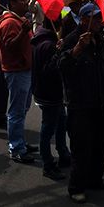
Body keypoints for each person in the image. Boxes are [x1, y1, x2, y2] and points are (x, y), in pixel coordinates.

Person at [58, 3, 104, 203]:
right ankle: (76, 187)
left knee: (101, 143)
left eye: (100, 18)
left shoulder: (100, 40)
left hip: (99, 100)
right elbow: (61, 66)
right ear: (83, 19)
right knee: (81, 147)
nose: (100, 22)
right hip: (80, 102)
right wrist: (77, 49)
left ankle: (95, 178)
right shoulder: (73, 39)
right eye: (96, 18)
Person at [0, 0, 36, 163]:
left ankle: (20, 141)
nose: (26, 2)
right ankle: (16, 148)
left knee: (23, 109)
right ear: (12, 3)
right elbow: (9, 46)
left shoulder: (20, 20)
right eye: (22, 0)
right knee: (16, 111)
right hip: (16, 71)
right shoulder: (9, 23)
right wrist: (22, 32)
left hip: (25, 70)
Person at [31, 17, 71, 180]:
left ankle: (63, 154)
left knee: (61, 123)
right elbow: (50, 70)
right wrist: (59, 52)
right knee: (48, 129)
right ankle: (48, 164)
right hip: (48, 93)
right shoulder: (47, 45)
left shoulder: (43, 39)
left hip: (49, 92)